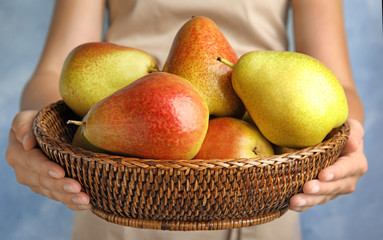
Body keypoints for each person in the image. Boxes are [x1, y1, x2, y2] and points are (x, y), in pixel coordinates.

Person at [6, 0, 367, 239]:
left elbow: (339, 89)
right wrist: (39, 127)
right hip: (115, 181)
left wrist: (347, 136)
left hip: (262, 182)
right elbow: (58, 73)